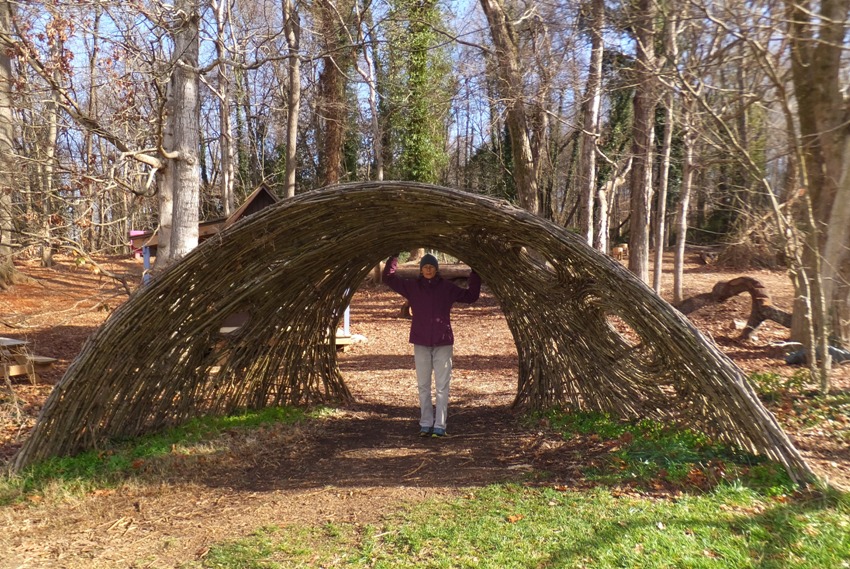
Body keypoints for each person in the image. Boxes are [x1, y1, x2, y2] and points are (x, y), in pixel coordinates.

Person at [383, 253, 481, 437]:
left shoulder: (446, 288)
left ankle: (440, 425)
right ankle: (426, 423)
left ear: (436, 269)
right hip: (421, 341)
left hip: (443, 341)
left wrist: (476, 272)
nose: (428, 270)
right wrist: (394, 255)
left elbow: (471, 296)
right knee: (423, 385)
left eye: (431, 267)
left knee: (442, 386)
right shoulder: (413, 287)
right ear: (421, 269)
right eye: (425, 267)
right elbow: (388, 277)